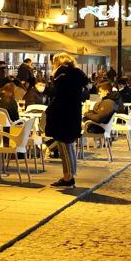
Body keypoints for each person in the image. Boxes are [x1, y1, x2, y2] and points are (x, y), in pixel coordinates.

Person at [45, 52, 88, 188]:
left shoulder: (62, 75)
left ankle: (68, 178)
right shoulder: (77, 75)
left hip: (62, 115)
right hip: (73, 114)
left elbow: (56, 95)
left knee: (64, 147)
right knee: (69, 146)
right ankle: (71, 174)